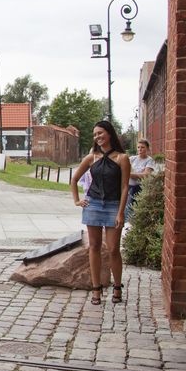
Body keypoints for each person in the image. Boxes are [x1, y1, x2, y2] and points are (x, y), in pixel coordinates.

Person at [70, 121, 131, 305]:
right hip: (93, 205)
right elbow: (74, 179)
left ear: (109, 133)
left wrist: (121, 213)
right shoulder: (92, 158)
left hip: (113, 205)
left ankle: (117, 286)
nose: (97, 137)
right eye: (95, 134)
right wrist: (77, 200)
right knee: (94, 247)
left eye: (100, 133)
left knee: (113, 249)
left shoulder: (122, 158)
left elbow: (125, 187)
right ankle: (96, 289)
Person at [126, 138, 155, 221]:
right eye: (138, 147)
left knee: (136, 211)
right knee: (127, 209)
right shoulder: (132, 158)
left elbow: (145, 175)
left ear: (147, 148)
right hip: (128, 187)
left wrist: (129, 174)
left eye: (142, 147)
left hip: (140, 188)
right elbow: (122, 169)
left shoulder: (149, 160)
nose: (140, 149)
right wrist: (137, 174)